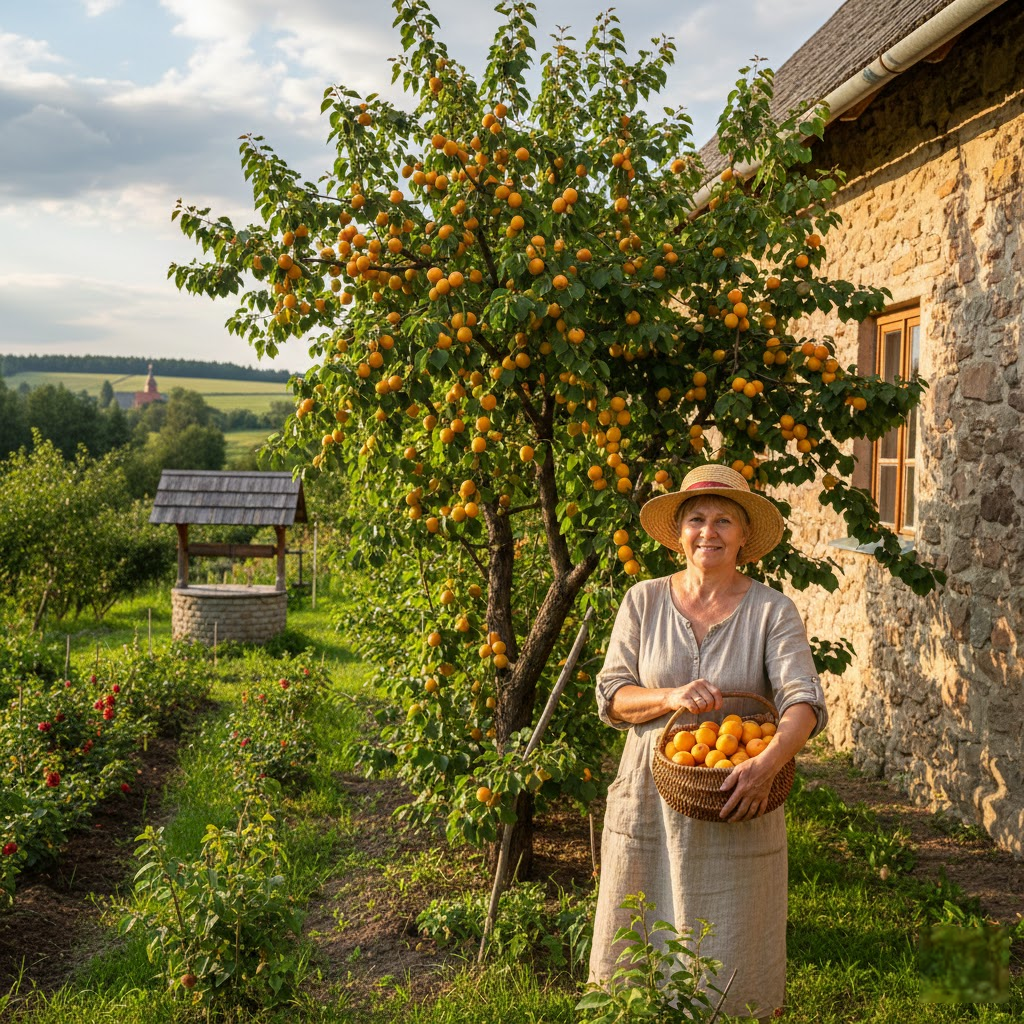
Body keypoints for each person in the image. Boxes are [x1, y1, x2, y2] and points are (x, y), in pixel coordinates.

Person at [587, 464, 827, 1021]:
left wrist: (768, 764)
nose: (708, 532)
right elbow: (613, 696)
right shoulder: (643, 601)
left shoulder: (772, 611)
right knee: (639, 944)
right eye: (696, 519)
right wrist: (670, 696)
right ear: (680, 533)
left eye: (724, 520)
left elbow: (804, 702)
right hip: (649, 800)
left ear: (744, 535)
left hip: (738, 798)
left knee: (731, 951)